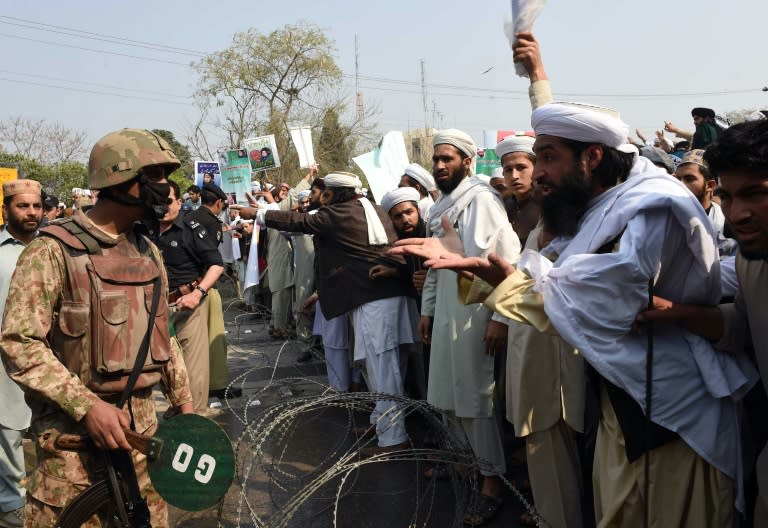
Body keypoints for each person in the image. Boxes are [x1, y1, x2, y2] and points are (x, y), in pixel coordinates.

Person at [396, 103, 752, 527]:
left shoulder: (649, 207)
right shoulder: (598, 213)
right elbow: (561, 283)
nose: (537, 172)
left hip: (672, 420)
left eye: (547, 158)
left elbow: (605, 301)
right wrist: (481, 271)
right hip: (621, 415)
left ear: (593, 157)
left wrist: (500, 281)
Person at [0, 128, 193, 527]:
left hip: (144, 445)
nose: (166, 188)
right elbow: (20, 341)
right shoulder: (52, 250)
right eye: (155, 177)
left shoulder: (146, 249)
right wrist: (87, 406)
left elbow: (163, 332)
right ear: (120, 181)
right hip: (73, 455)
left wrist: (185, 405)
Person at [639, 119, 768, 525]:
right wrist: (678, 313)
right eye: (728, 196)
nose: (738, 213)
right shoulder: (750, 262)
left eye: (754, 194)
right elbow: (740, 326)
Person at [259, 172, 416, 456]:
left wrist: (259, 214)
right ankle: (382, 423)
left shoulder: (342, 212)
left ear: (339, 194)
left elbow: (302, 222)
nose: (323, 200)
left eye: (327, 195)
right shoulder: (366, 208)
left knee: (384, 368)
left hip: (376, 300)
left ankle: (394, 439)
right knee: (377, 365)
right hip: (376, 298)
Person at [420, 129, 521, 525]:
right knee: (445, 394)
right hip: (446, 312)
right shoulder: (442, 205)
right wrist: (428, 310)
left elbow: (506, 259)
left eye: (448, 158)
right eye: (437, 159)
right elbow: (435, 263)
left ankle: (492, 483)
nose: (440, 165)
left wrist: (499, 317)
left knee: (476, 399)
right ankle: (464, 463)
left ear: (467, 161)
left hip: (476, 313)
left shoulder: (480, 199)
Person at [157, 181, 225, 414]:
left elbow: (216, 265)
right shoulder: (142, 229)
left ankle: (194, 423)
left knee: (192, 372)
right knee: (162, 370)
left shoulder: (191, 227)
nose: (162, 207)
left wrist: (198, 293)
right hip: (153, 310)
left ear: (178, 202)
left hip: (187, 306)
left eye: (167, 201)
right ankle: (178, 411)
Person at [0, 180, 43, 528]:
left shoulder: (51, 248)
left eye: (36, 206)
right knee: (7, 432)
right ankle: (11, 503)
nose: (31, 213)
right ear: (6, 209)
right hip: (4, 357)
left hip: (45, 356)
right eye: (22, 206)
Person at [674, 149, 737, 257]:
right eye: (677, 179)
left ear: (710, 186)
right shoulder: (669, 217)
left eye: (689, 179)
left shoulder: (728, 224)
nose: (680, 185)